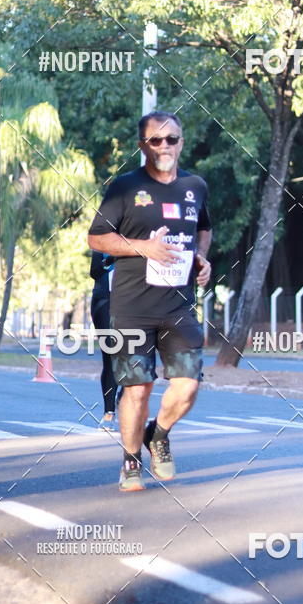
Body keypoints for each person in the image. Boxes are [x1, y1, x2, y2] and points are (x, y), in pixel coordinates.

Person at [88, 111, 212, 491]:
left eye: (171, 139)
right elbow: (96, 239)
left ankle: (158, 434)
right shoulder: (125, 187)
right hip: (132, 307)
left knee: (188, 385)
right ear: (142, 145)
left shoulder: (195, 186)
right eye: (155, 140)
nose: (164, 146)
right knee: (138, 388)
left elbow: (203, 229)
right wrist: (144, 248)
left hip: (178, 306)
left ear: (181, 141)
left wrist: (202, 260)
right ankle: (130, 461)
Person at [90, 251, 121, 429]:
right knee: (111, 355)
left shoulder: (142, 232)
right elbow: (94, 271)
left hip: (136, 299)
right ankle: (109, 412)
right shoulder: (103, 234)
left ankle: (124, 396)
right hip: (105, 299)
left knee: (138, 352)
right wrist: (113, 257)